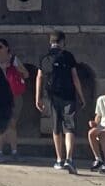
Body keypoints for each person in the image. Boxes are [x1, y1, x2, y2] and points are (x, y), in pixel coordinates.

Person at [34, 30, 86, 173]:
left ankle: (59, 159)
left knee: (56, 128)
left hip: (52, 97)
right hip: (68, 96)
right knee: (69, 127)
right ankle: (69, 158)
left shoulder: (44, 57)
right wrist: (81, 96)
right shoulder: (68, 56)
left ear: (50, 42)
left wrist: (37, 98)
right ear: (62, 42)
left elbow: (39, 78)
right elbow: (75, 78)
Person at [0, 39, 26, 160]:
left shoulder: (13, 59)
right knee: (0, 123)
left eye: (0, 47)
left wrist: (16, 68)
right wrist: (1, 67)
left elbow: (26, 74)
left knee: (12, 123)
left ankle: (14, 151)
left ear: (6, 48)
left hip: (13, 94)